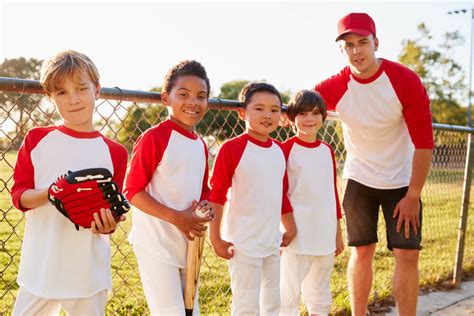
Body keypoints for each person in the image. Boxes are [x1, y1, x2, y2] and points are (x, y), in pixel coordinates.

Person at [314, 12, 434, 316]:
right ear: (342, 50)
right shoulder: (335, 86)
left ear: (375, 42)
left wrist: (413, 195)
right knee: (362, 251)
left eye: (363, 42)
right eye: (349, 45)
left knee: (407, 255)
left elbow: (424, 143)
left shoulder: (404, 80)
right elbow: (297, 107)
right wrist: (252, 107)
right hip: (359, 178)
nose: (357, 51)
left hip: (403, 181)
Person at [10, 50, 128, 316]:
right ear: (51, 98)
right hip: (41, 267)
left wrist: (108, 225)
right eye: (61, 92)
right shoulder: (37, 139)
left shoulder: (115, 152)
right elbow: (19, 196)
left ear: (97, 89)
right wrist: (53, 192)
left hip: (87, 273)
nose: (73, 99)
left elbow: (110, 214)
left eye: (81, 88)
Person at [123, 60, 214, 315]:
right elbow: (132, 190)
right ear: (166, 98)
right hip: (155, 242)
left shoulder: (200, 145)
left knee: (189, 311)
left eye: (201, 96)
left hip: (187, 243)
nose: (193, 102)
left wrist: (205, 205)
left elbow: (203, 189)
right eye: (183, 95)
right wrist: (177, 218)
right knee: (169, 311)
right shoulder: (155, 137)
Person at [209, 82, 296, 316]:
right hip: (243, 243)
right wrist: (215, 237)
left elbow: (281, 194)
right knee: (247, 305)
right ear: (242, 112)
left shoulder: (279, 151)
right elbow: (216, 196)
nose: (267, 115)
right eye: (259, 108)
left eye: (274, 109)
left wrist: (290, 226)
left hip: (271, 241)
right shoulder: (231, 149)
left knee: (273, 303)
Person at [279, 90, 344, 316]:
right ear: (292, 117)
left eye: (316, 113)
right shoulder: (284, 150)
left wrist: (337, 232)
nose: (310, 119)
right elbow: (280, 194)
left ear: (323, 116)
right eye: (303, 113)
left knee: (319, 293)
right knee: (288, 294)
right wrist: (286, 227)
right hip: (295, 233)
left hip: (324, 232)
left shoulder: (327, 150)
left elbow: (331, 194)